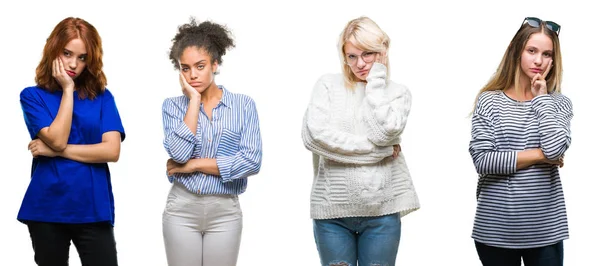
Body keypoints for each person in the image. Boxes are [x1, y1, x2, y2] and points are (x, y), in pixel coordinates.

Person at [301, 16, 419, 266]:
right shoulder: (327, 86)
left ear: (383, 51)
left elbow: (383, 133)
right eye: (352, 56)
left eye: (368, 54)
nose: (360, 63)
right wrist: (382, 151)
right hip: (332, 213)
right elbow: (315, 138)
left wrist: (375, 85)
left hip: (381, 213)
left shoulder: (397, 93)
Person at [19, 17, 125, 266]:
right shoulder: (32, 96)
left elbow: (112, 150)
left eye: (82, 57)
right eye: (67, 53)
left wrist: (56, 152)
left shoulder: (102, 97)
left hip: (92, 207)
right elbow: (56, 138)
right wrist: (67, 90)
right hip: (47, 208)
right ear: (54, 49)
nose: (73, 64)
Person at [469, 17, 571, 266]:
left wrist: (541, 99)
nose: (539, 61)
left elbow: (555, 148)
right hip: (495, 229)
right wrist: (539, 155)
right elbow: (483, 160)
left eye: (547, 54)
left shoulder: (559, 104)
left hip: (545, 230)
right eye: (532, 51)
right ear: (517, 51)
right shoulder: (489, 101)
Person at [161, 18, 262, 266]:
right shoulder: (172, 106)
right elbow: (180, 154)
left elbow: (251, 162)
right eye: (185, 68)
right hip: (181, 208)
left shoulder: (243, 105)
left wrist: (195, 166)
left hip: (225, 210)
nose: (192, 74)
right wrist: (193, 101)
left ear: (215, 64)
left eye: (200, 66)